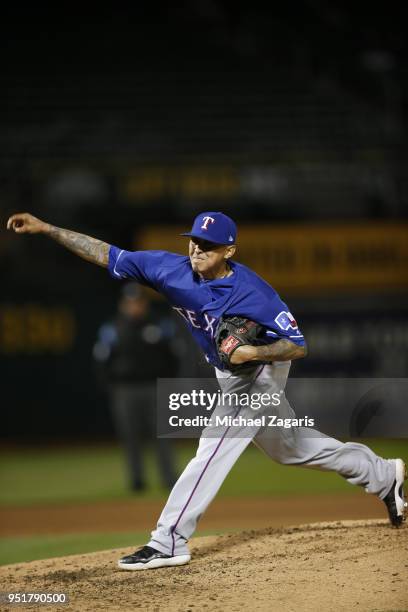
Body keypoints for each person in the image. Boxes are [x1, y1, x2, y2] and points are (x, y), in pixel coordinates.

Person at [7, 210, 407, 572]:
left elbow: (297, 345)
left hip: (261, 371)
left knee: (214, 445)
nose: (197, 248)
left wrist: (255, 350)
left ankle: (168, 540)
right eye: (194, 239)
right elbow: (105, 253)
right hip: (227, 372)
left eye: (208, 244)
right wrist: (48, 228)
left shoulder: (256, 294)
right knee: (291, 448)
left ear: (229, 250)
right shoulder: (169, 269)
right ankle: (383, 474)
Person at [93, 281, 179, 491]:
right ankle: (137, 481)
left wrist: (169, 383)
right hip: (124, 389)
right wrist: (110, 386)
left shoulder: (160, 325)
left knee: (162, 436)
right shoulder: (112, 328)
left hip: (155, 387)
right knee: (130, 437)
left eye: (138, 302)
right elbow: (101, 360)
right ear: (123, 304)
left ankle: (169, 480)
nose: (135, 306)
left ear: (144, 304)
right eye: (130, 302)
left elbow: (174, 356)